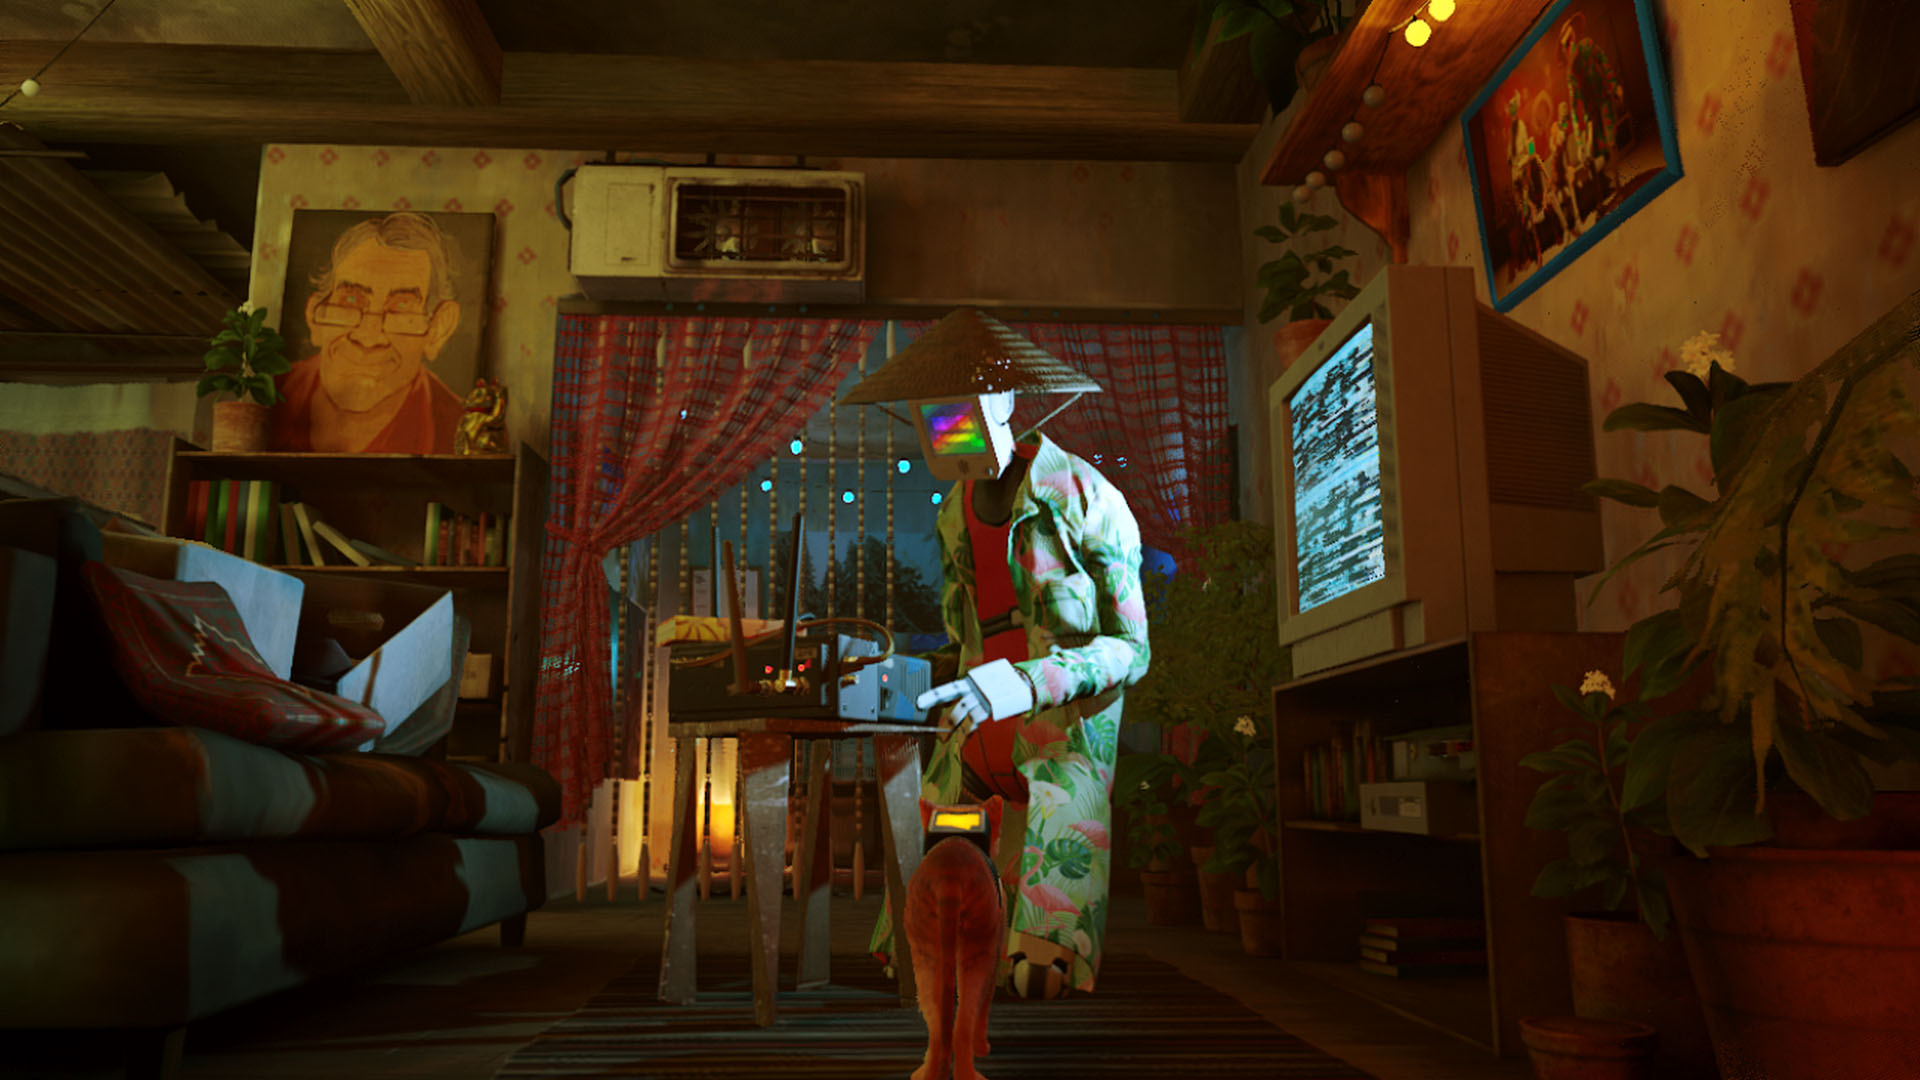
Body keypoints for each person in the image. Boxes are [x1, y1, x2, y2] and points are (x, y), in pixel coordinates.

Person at [840, 308, 1150, 999]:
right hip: (978, 714)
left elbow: (1132, 649)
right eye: (936, 416)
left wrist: (1030, 682)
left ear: (1003, 402)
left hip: (1062, 723)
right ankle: (924, 936)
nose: (950, 428)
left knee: (1056, 846)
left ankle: (1048, 944)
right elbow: (963, 633)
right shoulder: (954, 511)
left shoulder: (1084, 495)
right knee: (934, 832)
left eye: (961, 410)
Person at [270, 212, 466, 452]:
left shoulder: (462, 432)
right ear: (314, 316)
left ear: (437, 330)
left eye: (401, 307)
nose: (369, 337)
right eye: (351, 300)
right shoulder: (266, 398)